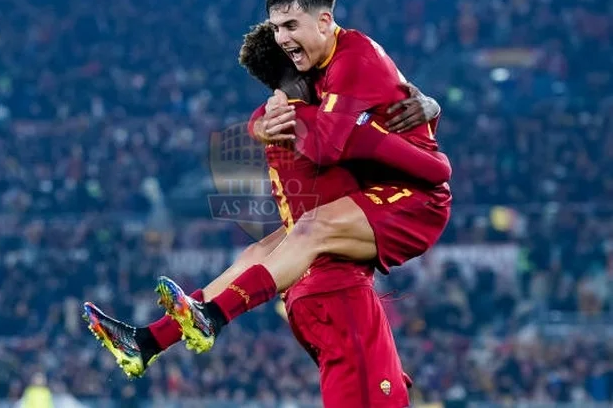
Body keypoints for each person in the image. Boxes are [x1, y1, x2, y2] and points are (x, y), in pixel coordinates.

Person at [83, 20, 443, 396]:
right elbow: (432, 169)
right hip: (339, 293)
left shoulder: (273, 122)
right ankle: (212, 317)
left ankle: (150, 340)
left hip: (301, 296)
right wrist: (431, 114)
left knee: (259, 250)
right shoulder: (323, 124)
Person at [154, 0, 452, 361]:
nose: (283, 38)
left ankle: (214, 315)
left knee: (310, 229)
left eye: (291, 25)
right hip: (383, 187)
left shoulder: (353, 59)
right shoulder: (319, 71)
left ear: (325, 21)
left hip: (415, 199)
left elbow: (336, 148)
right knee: (262, 248)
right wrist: (262, 124)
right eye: (277, 28)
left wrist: (276, 122)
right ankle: (152, 340)